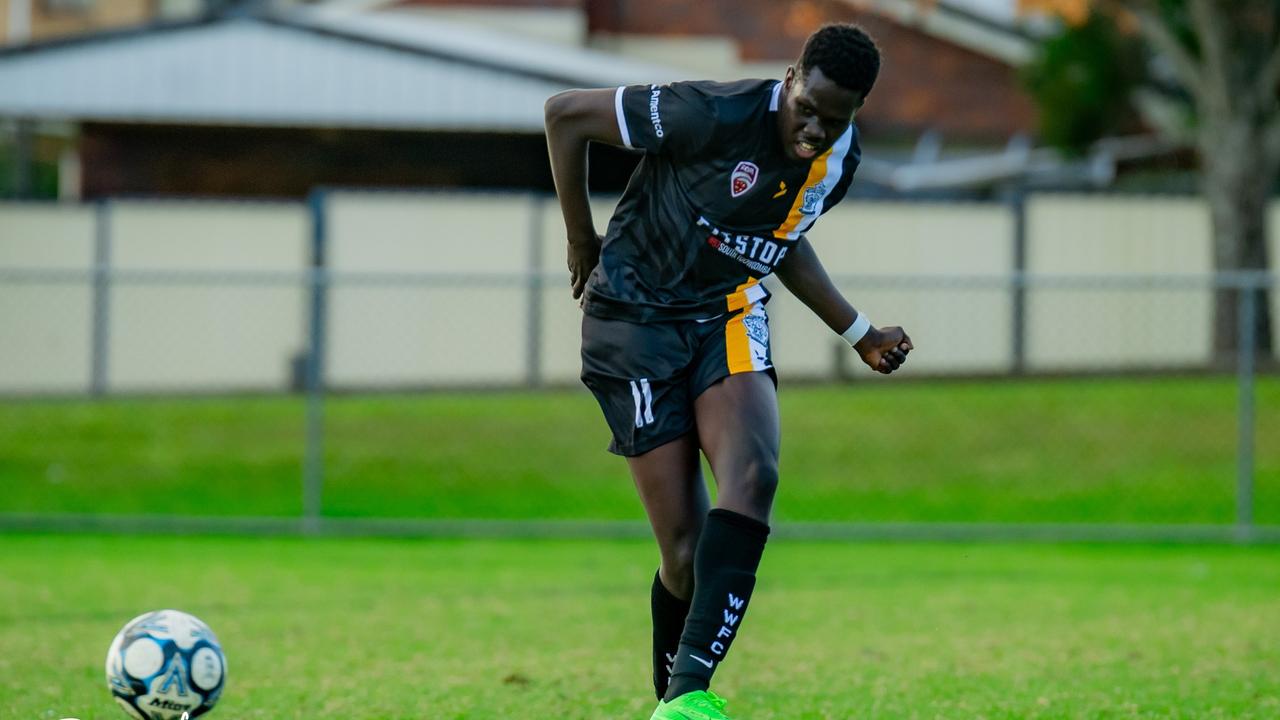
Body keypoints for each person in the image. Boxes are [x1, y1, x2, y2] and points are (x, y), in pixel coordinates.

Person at [543, 23, 913, 720]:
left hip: (726, 311)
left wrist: (857, 332)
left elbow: (780, 243)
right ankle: (674, 700)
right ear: (792, 76)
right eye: (808, 108)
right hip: (632, 322)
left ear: (858, 110)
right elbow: (565, 114)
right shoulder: (706, 110)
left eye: (835, 121)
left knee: (754, 477)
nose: (815, 130)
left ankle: (686, 696)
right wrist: (580, 237)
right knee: (683, 552)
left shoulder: (836, 162)